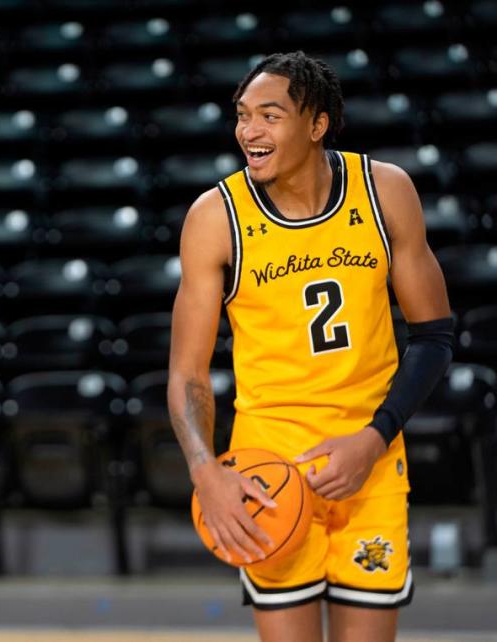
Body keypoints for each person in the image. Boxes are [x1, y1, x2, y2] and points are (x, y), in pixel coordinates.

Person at [168, 51, 453, 642]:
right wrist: (204, 470)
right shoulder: (215, 218)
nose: (249, 130)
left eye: (269, 116)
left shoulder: (385, 192)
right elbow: (188, 373)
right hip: (269, 473)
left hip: (369, 463)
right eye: (243, 115)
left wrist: (375, 438)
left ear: (317, 124)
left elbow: (434, 336)